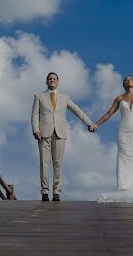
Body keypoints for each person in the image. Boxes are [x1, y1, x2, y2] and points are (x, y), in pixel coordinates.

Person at [31, 72, 95, 201]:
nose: (52, 80)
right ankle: (44, 192)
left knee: (58, 163)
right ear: (46, 82)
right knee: (44, 163)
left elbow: (77, 110)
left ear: (58, 81)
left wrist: (89, 123)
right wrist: (35, 130)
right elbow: (35, 115)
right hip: (43, 133)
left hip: (60, 134)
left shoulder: (65, 97)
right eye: (50, 79)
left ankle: (56, 192)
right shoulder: (39, 96)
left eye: (54, 79)